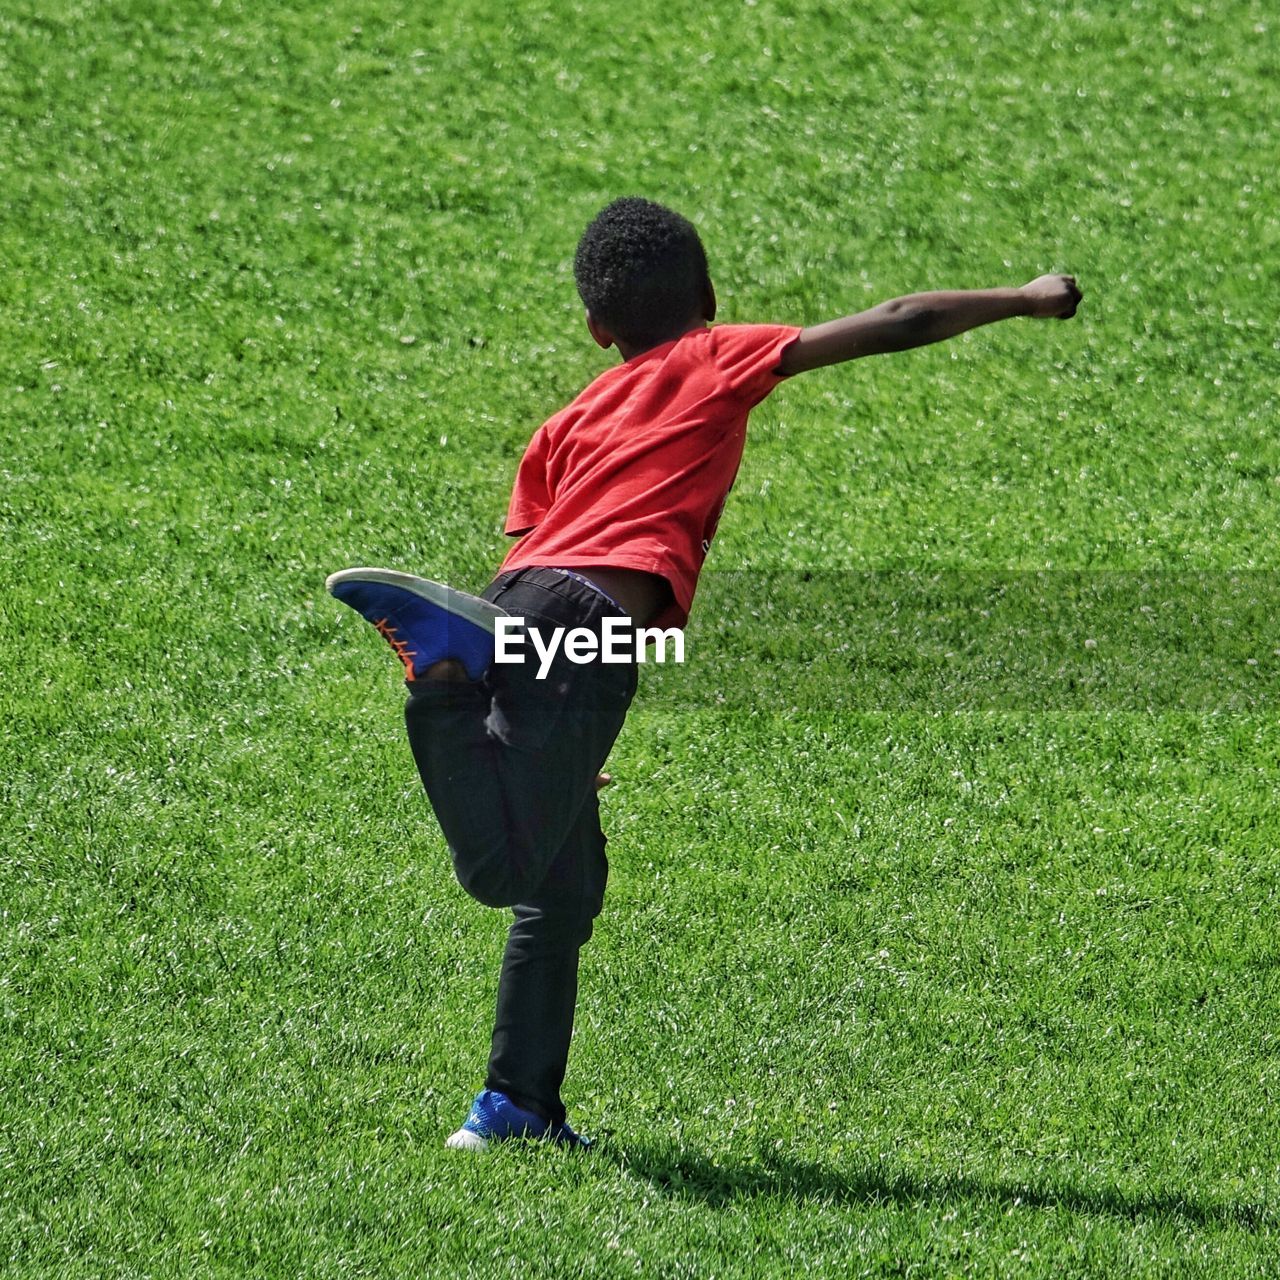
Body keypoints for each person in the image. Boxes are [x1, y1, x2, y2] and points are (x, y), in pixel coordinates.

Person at [327, 196, 1082, 1150]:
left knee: (560, 890)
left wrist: (556, 725)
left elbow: (530, 568)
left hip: (527, 615)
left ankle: (517, 1108)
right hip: (587, 622)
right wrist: (1023, 298)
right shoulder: (716, 355)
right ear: (711, 296)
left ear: (597, 328)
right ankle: (437, 688)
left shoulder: (565, 422)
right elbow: (904, 321)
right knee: (505, 868)